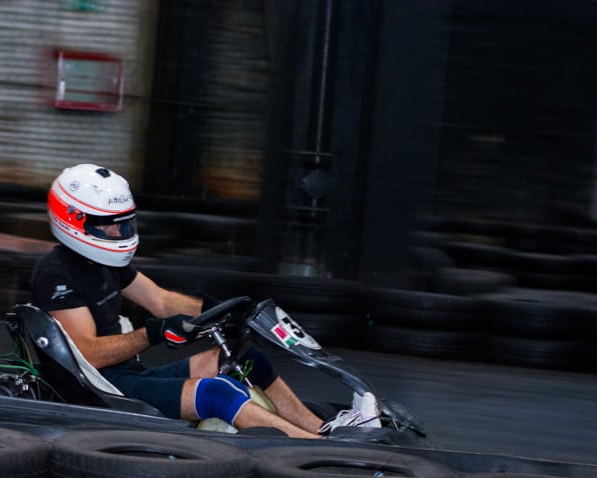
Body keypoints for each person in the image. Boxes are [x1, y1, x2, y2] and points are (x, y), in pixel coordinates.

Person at [30, 163, 380, 439]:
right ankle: (317, 450)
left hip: (127, 374)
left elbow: (161, 301)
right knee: (218, 393)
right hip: (102, 389)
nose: (118, 232)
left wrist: (219, 309)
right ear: (74, 220)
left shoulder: (104, 263)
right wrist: (152, 334)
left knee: (246, 358)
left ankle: (324, 430)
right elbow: (88, 353)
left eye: (123, 224)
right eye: (108, 225)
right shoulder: (57, 273)